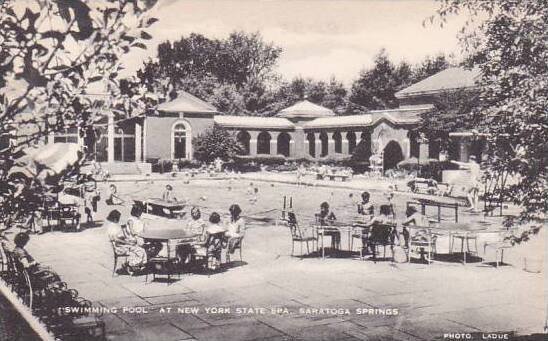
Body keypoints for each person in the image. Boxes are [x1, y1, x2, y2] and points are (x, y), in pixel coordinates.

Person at [105, 209, 147, 275]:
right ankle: (130, 265)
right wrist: (127, 242)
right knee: (141, 250)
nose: (119, 219)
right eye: (118, 218)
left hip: (121, 245)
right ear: (115, 218)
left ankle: (133, 265)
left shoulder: (111, 225)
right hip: (120, 248)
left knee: (139, 248)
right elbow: (116, 239)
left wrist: (127, 240)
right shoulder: (113, 227)